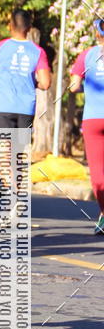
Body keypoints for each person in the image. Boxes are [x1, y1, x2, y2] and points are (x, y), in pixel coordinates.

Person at [0, 8, 51, 136]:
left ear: (10, 25)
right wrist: (32, 82)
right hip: (25, 109)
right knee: (18, 154)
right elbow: (45, 84)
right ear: (29, 28)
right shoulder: (38, 51)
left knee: (4, 153)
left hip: (2, 107)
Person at [69, 18, 104, 235]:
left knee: (98, 171)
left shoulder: (87, 54)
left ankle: (103, 215)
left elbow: (73, 86)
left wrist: (89, 92)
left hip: (93, 119)